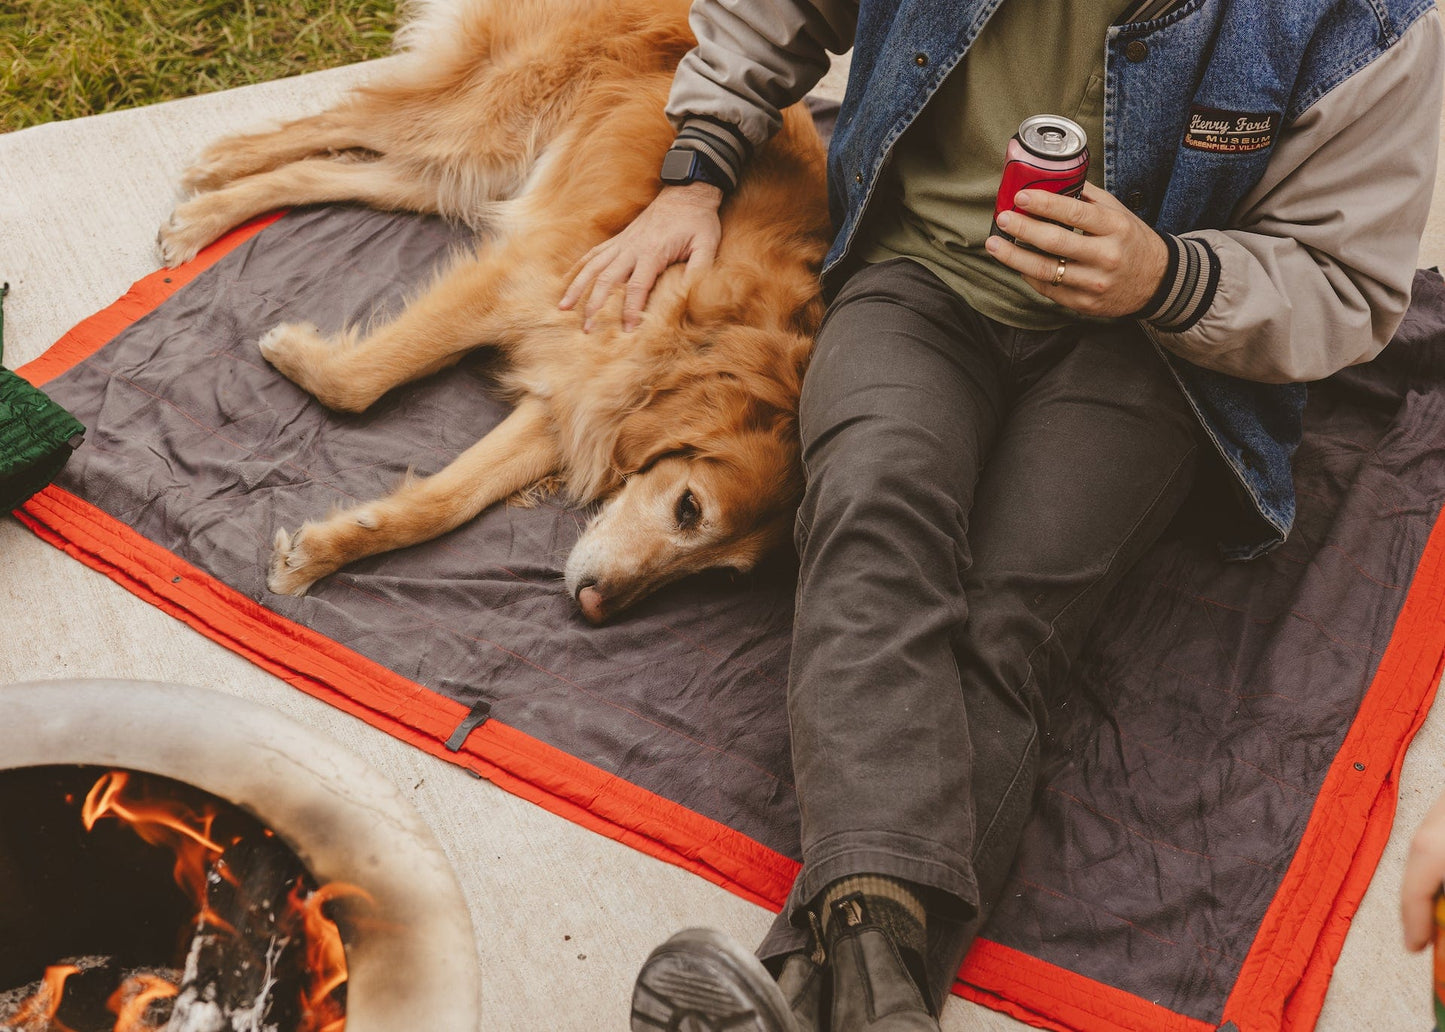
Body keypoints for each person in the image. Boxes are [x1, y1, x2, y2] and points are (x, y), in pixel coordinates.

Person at [558, 2, 1445, 1030]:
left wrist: (1166, 276)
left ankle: (821, 979)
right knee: (870, 522)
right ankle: (882, 1001)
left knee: (1006, 614)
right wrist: (696, 173)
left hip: (1153, 348)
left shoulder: (1369, 21)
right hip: (916, 279)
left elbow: (1343, 283)